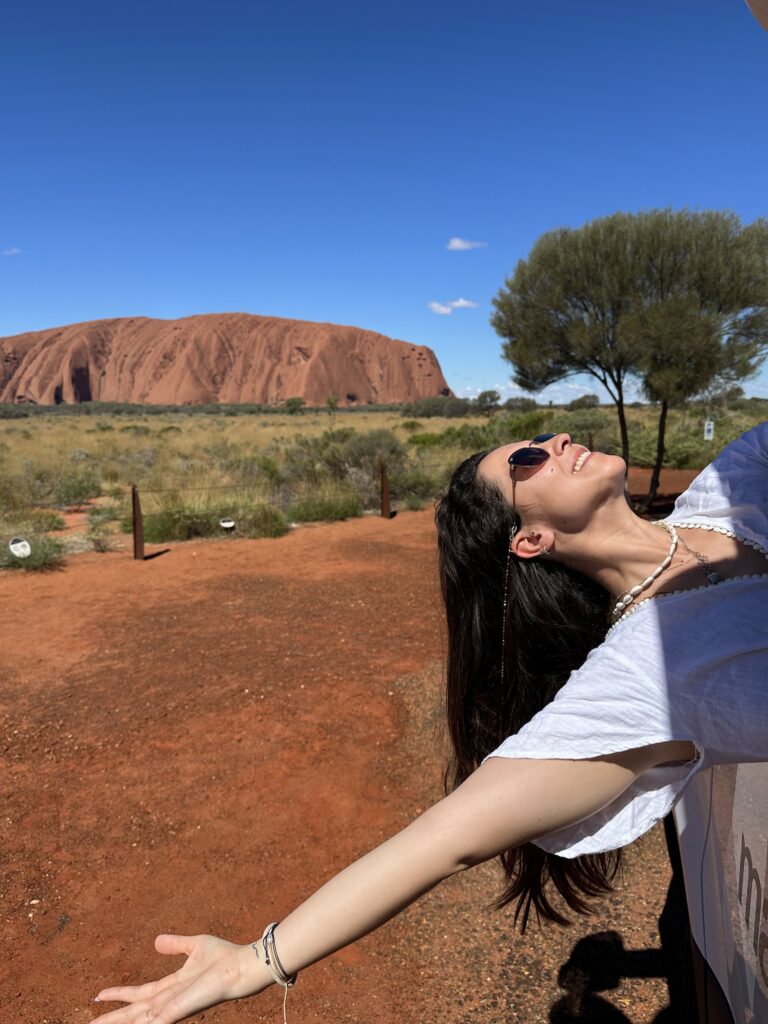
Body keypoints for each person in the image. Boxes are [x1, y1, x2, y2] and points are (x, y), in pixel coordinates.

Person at [88, 424, 768, 1024]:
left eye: (544, 439)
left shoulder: (739, 481)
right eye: (527, 458)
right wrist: (254, 962)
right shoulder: (636, 680)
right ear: (529, 539)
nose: (556, 441)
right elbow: (444, 839)